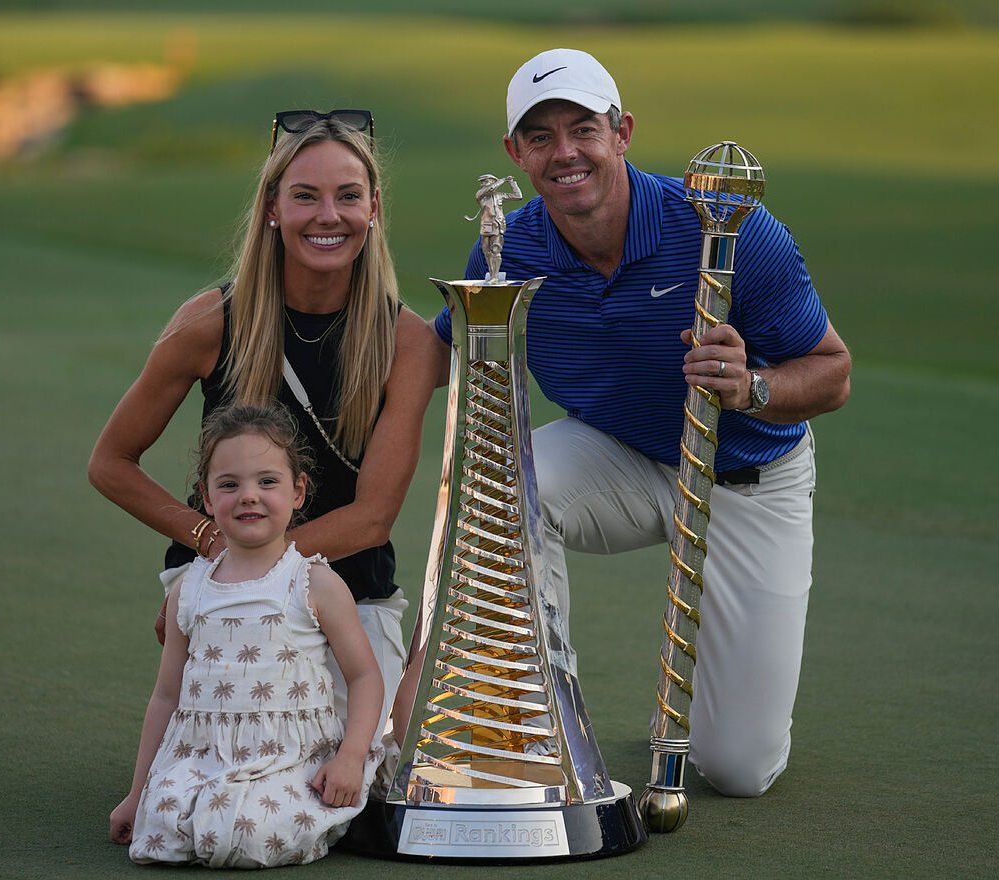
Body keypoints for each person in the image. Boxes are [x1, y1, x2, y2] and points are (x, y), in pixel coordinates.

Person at [429, 48, 852, 797]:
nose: (564, 153)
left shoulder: (732, 233)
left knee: (736, 769)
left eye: (582, 128)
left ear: (622, 132)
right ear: (514, 153)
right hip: (620, 455)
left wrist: (749, 385)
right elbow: (438, 351)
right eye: (539, 135)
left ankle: (733, 728)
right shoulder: (511, 249)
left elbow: (832, 372)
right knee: (510, 478)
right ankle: (539, 724)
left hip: (746, 474)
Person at [89, 110, 440, 739]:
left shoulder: (406, 341)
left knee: (354, 783)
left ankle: (393, 681)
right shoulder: (209, 321)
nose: (327, 215)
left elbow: (373, 519)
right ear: (272, 206)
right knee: (257, 760)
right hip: (226, 573)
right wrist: (211, 552)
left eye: (348, 196)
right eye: (304, 196)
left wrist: (263, 563)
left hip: (351, 588)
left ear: (375, 209)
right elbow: (111, 462)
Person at [109, 403, 386, 867]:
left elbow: (363, 676)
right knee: (161, 827)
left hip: (285, 756)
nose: (249, 496)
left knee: (245, 833)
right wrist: (138, 793)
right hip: (202, 753)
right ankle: (182, 802)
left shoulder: (313, 582)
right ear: (206, 496)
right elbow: (166, 695)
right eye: (230, 484)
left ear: (299, 491)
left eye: (267, 481)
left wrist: (351, 756)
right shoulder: (189, 589)